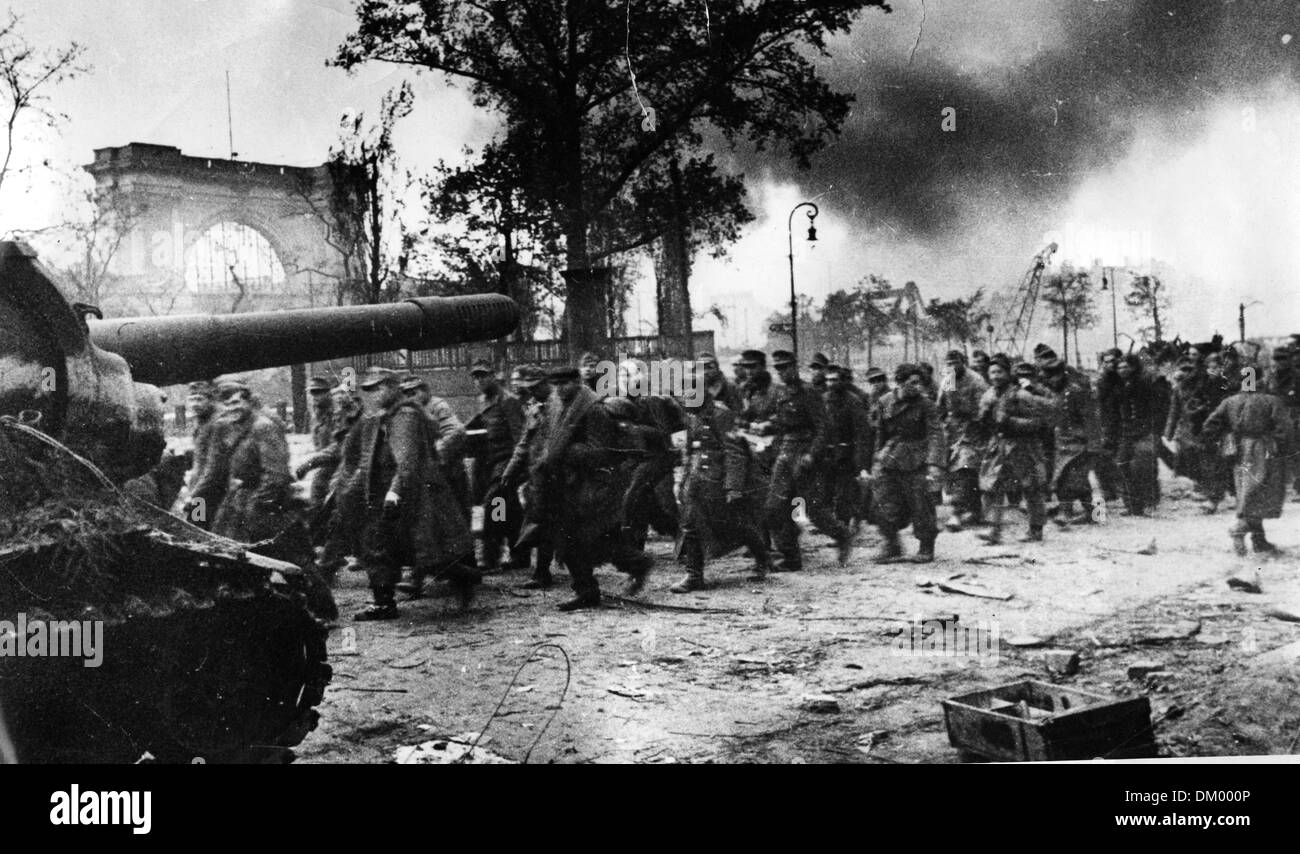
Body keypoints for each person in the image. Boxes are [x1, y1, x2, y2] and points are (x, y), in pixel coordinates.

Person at [499, 366, 651, 611]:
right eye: (556, 384)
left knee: (588, 540)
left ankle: (634, 565)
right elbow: (543, 441)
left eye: (566, 383)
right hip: (566, 485)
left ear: (578, 382)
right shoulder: (557, 405)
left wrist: (567, 453)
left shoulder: (593, 410)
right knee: (572, 540)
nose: (560, 388)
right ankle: (589, 588)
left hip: (592, 486)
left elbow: (601, 453)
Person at [342, 367, 477, 620]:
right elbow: (367, 458)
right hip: (383, 493)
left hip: (409, 493)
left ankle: (465, 577)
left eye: (379, 387)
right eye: (369, 389)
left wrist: (394, 492)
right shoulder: (376, 417)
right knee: (377, 546)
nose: (374, 393)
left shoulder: (405, 415)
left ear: (393, 388)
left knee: (425, 552)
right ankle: (383, 603)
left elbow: (407, 461)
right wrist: (353, 490)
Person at [671, 373, 770, 592]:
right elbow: (689, 451)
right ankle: (694, 576)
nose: (685, 398)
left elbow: (734, 452)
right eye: (684, 393)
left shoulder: (722, 415)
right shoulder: (692, 417)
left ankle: (762, 557)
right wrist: (683, 480)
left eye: (691, 393)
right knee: (690, 525)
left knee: (736, 525)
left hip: (718, 480)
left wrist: (733, 487)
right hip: (697, 481)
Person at [757, 350, 853, 569]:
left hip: (805, 453)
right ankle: (790, 557)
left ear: (794, 366)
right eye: (778, 368)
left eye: (785, 367)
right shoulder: (781, 393)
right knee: (774, 507)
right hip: (785, 452)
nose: (782, 372)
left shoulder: (808, 392)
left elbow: (823, 427)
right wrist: (768, 425)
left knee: (813, 510)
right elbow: (783, 422)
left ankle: (843, 535)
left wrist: (812, 453)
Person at [1202, 370, 1291, 555]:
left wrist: (1224, 440)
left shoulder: (1230, 401)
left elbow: (1210, 425)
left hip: (1240, 450)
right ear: (1259, 380)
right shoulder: (1271, 401)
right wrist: (1282, 448)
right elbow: (1285, 430)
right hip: (1265, 449)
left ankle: (1259, 540)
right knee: (1262, 492)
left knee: (1248, 494)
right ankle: (1239, 529)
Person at [194, 381, 294, 543]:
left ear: (248, 402)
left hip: (267, 501)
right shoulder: (227, 427)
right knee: (225, 543)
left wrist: (256, 505)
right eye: (226, 405)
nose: (231, 409)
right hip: (239, 497)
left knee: (276, 553)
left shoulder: (263, 427)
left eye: (236, 402)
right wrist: (195, 497)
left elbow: (277, 476)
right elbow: (213, 470)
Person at [867, 363, 945, 562]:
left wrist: (934, 463)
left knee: (922, 505)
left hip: (917, 458)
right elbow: (880, 434)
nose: (918, 387)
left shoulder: (926, 404)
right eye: (913, 383)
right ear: (900, 383)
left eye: (920, 383)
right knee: (882, 502)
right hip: (891, 458)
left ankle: (926, 548)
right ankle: (892, 545)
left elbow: (936, 433)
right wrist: (876, 459)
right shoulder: (884, 401)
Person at [975, 358, 1052, 544]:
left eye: (999, 372)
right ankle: (994, 530)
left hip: (1023, 446)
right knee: (994, 487)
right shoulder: (988, 395)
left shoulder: (1022, 396)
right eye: (992, 372)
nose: (995, 376)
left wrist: (1011, 422)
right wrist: (984, 419)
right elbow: (983, 422)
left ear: (1008, 374)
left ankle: (1035, 529)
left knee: (1030, 487)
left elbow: (1039, 422)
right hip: (999, 446)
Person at [469, 359, 526, 572]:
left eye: (483, 375)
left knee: (495, 503)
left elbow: (520, 435)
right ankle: (519, 554)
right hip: (488, 460)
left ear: (494, 376)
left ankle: (490, 558)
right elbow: (477, 423)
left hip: (506, 459)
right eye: (475, 377)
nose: (479, 380)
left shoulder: (508, 401)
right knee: (507, 509)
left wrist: (515, 468)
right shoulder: (483, 400)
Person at [505, 365, 557, 589]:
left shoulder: (561, 404)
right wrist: (511, 469)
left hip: (562, 475)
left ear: (545, 382)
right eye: (529, 388)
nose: (532, 392)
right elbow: (524, 443)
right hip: (539, 476)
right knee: (540, 521)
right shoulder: (535, 408)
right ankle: (541, 571)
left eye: (535, 387)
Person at [1164, 356, 1232, 512]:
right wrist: (1169, 432)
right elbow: (1174, 411)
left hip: (1208, 429)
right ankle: (1205, 489)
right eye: (1182, 369)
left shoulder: (1205, 384)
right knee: (1190, 461)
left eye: (1189, 369)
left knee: (1211, 463)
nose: (1185, 373)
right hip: (1187, 431)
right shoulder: (1179, 388)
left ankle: (1214, 497)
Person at [1103, 354, 1162, 516]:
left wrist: (1153, 429)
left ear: (1133, 367)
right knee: (1122, 466)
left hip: (1144, 432)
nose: (1122, 370)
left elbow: (1156, 408)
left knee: (1143, 467)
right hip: (1125, 433)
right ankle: (1132, 506)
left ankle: (1149, 502)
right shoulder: (1116, 388)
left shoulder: (1145, 385)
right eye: (1119, 367)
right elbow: (1112, 412)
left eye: (1125, 367)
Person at [401, 374, 470, 512]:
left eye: (414, 393)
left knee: (456, 516)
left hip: (449, 473)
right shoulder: (411, 412)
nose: (410, 398)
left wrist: (435, 455)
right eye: (407, 394)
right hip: (430, 477)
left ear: (425, 391)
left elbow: (456, 431)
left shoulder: (438, 406)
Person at [937, 350, 988, 531]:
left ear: (963, 362)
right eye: (948, 363)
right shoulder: (948, 379)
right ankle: (975, 510)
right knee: (960, 471)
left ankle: (957, 512)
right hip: (953, 430)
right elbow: (942, 406)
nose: (952, 367)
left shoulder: (976, 380)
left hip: (973, 430)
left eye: (955, 362)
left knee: (964, 467)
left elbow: (984, 410)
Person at [820, 364, 873, 527]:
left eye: (834, 380)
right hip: (826, 454)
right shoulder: (823, 399)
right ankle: (832, 523)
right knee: (826, 491)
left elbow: (862, 434)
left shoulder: (853, 401)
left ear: (842, 380)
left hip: (846, 454)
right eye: (828, 380)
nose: (830, 384)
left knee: (844, 493)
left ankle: (843, 525)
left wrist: (861, 463)